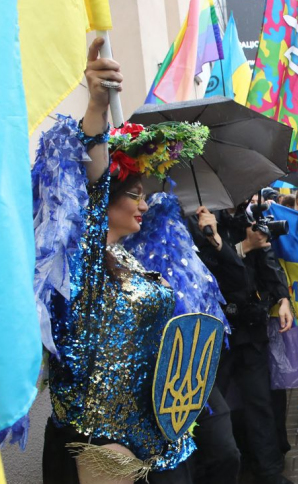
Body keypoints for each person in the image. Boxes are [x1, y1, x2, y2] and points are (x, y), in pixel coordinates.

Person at [38, 38, 203, 484]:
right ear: (106, 203)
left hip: (157, 441)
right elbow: (93, 186)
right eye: (134, 194)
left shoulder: (126, 257)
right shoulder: (82, 259)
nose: (145, 204)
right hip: (106, 447)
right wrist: (96, 107)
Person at [193, 203, 294, 484]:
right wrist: (242, 246)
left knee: (260, 401)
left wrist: (283, 298)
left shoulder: (251, 220)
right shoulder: (199, 221)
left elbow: (269, 262)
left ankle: (268, 470)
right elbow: (206, 272)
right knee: (212, 408)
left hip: (250, 327)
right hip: (215, 331)